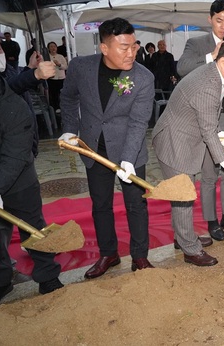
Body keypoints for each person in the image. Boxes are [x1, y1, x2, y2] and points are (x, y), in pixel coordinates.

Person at [59, 17, 155, 278]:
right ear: (104, 48)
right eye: (124, 47)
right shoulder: (81, 67)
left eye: (134, 46)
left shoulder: (143, 77)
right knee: (100, 204)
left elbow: (138, 121)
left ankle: (140, 256)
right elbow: (68, 97)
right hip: (94, 149)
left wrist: (127, 159)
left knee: (136, 205)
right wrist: (70, 129)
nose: (132, 52)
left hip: (130, 150)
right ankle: (108, 253)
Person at [152, 39, 224, 266]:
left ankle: (182, 237)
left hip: (185, 134)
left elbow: (208, 121)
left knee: (182, 194)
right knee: (184, 195)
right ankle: (190, 249)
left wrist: (220, 136)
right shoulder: (209, 84)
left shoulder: (216, 74)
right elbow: (208, 130)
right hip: (175, 141)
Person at [177, 0, 224, 241]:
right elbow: (183, 69)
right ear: (210, 19)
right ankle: (211, 221)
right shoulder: (197, 43)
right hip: (211, 117)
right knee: (210, 173)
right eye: (219, 20)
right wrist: (212, 56)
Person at [0, 72, 64, 306]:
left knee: (32, 226)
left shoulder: (14, 107)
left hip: (18, 179)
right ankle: (1, 279)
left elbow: (15, 155)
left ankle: (48, 276)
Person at [47, 41, 68, 112]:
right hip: (51, 78)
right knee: (53, 93)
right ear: (48, 48)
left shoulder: (60, 56)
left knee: (61, 93)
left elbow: (65, 67)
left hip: (61, 77)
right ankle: (55, 107)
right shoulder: (47, 57)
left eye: (54, 46)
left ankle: (62, 106)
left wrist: (59, 65)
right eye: (51, 46)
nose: (53, 48)